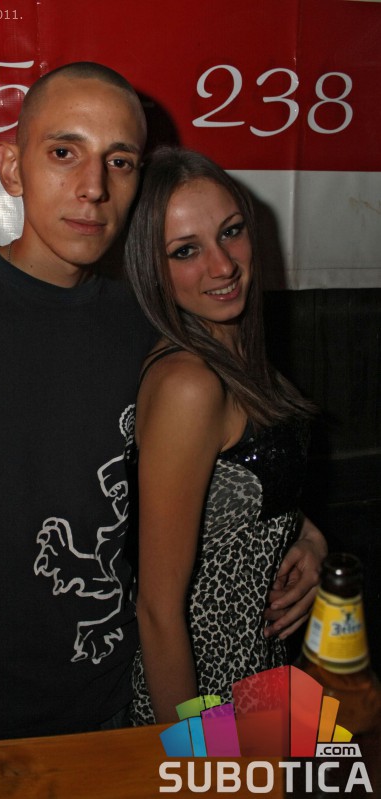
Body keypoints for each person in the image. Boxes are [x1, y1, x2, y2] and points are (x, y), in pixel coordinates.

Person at [0, 65, 322, 751]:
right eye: (64, 152)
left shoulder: (151, 320)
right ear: (12, 167)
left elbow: (213, 466)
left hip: (112, 705)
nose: (93, 186)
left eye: (119, 161)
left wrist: (303, 532)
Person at [124, 146, 326, 725]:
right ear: (152, 269)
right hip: (206, 697)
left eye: (231, 232)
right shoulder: (189, 384)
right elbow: (157, 609)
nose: (222, 265)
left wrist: (310, 539)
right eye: (185, 251)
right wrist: (195, 757)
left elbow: (234, 496)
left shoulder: (236, 356)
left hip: (263, 679)